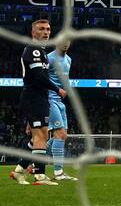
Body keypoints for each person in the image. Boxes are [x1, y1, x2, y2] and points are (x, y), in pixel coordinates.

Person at [11, 19, 61, 186]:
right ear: (33, 32)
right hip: (33, 97)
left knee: (40, 136)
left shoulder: (41, 51)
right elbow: (39, 76)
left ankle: (19, 171)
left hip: (40, 98)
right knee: (40, 136)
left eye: (48, 29)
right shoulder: (33, 50)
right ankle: (39, 176)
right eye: (41, 29)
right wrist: (57, 89)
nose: (46, 32)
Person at [47, 38, 76, 180]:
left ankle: (33, 161)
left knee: (62, 136)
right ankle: (58, 173)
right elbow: (41, 79)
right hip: (49, 99)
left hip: (60, 101)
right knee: (60, 134)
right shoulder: (49, 58)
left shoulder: (69, 60)